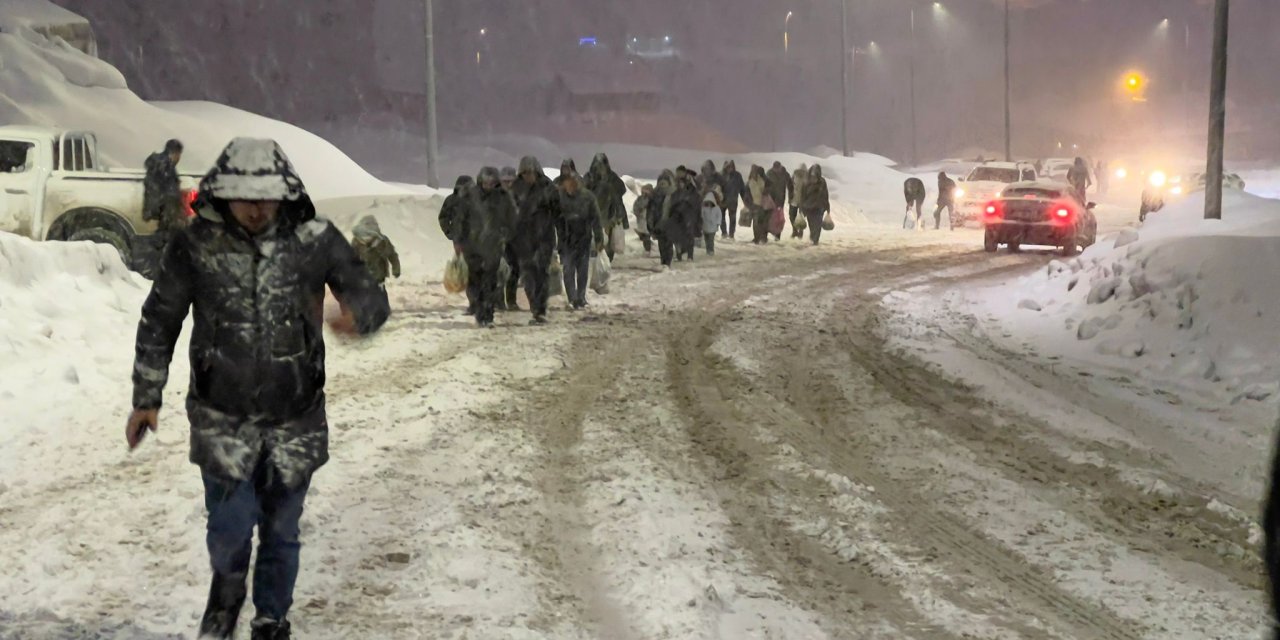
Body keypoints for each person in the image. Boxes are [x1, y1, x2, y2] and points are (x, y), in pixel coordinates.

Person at [125, 138, 390, 640]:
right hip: (221, 417)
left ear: (284, 194)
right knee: (229, 528)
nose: (255, 209)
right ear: (222, 193)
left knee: (281, 532)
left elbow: (368, 291)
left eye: (265, 198)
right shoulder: (195, 245)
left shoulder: (315, 239)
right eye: (244, 198)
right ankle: (225, 600)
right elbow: (160, 319)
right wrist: (146, 397)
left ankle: (272, 620)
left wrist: (363, 313)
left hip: (296, 417)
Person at [457, 167, 517, 328]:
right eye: (485, 183)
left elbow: (512, 219)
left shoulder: (503, 198)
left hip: (493, 247)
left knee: (490, 282)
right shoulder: (470, 196)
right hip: (472, 246)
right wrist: (459, 240)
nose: (488, 186)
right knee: (475, 281)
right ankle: (479, 310)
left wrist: (505, 235)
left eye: (491, 183)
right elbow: (460, 219)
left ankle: (487, 315)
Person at [510, 156, 560, 325]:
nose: (528, 176)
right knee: (528, 276)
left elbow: (558, 211)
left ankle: (540, 309)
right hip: (522, 239)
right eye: (524, 173)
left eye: (530, 173)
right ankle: (535, 306)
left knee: (541, 274)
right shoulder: (516, 189)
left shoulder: (547, 188)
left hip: (544, 237)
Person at [556, 171, 604, 309]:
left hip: (583, 238)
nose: (571, 185)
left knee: (582, 270)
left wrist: (599, 238)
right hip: (566, 239)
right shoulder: (559, 197)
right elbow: (554, 217)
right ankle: (572, 298)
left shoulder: (588, 197)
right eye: (568, 182)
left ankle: (581, 297)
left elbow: (596, 218)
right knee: (568, 269)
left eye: (574, 182)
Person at [439, 175, 477, 315]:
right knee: (468, 273)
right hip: (461, 242)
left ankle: (481, 303)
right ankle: (474, 304)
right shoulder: (452, 200)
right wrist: (451, 234)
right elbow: (443, 218)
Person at [585, 153, 628, 261]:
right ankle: (596, 258)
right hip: (593, 212)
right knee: (593, 236)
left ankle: (606, 259)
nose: (599, 168)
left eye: (601, 164)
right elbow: (583, 191)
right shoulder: (589, 177)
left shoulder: (612, 177)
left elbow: (621, 190)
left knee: (607, 238)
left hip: (609, 212)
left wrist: (611, 191)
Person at [143, 138, 185, 233]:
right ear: (175, 153)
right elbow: (170, 192)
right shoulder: (166, 166)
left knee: (163, 233)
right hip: (165, 210)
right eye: (179, 155)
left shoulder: (156, 165)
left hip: (156, 208)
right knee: (169, 233)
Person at [351, 215, 401, 288]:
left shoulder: (383, 241)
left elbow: (392, 255)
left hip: (379, 277)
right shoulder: (356, 241)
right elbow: (350, 257)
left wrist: (396, 269)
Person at [663, 166, 701, 261]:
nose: (678, 175)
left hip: (689, 214)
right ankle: (679, 254)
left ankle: (689, 255)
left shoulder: (691, 185)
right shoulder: (675, 186)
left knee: (689, 234)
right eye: (677, 173)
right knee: (676, 234)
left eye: (680, 173)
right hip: (677, 214)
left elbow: (695, 199)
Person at [650, 170, 676, 268]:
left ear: (669, 183)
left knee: (668, 243)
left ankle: (667, 262)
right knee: (661, 244)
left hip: (670, 223)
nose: (662, 185)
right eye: (660, 183)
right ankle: (663, 261)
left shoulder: (673, 194)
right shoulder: (655, 195)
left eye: (664, 183)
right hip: (659, 223)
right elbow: (651, 210)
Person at [801, 164, 831, 246]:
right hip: (809, 206)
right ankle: (813, 236)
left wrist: (827, 206)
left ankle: (815, 239)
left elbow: (825, 194)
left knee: (818, 224)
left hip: (819, 206)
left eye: (815, 176)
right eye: (812, 176)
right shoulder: (806, 182)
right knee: (811, 223)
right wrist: (802, 206)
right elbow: (803, 195)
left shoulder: (822, 182)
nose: (813, 178)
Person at [720, 160, 745, 240]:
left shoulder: (737, 176)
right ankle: (724, 233)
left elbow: (742, 189)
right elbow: (717, 188)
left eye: (731, 167)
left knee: (732, 218)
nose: (730, 168)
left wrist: (745, 201)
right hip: (722, 201)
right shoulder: (721, 175)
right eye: (728, 167)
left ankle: (731, 234)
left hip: (733, 201)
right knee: (721, 217)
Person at [746, 165, 770, 245]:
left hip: (762, 204)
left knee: (761, 222)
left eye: (755, 171)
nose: (754, 173)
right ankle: (757, 238)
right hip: (754, 204)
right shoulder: (749, 182)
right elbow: (746, 194)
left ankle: (762, 238)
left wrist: (766, 191)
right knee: (755, 223)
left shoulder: (762, 180)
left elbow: (768, 188)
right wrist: (748, 204)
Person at [632, 184, 654, 255]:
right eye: (643, 191)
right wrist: (637, 212)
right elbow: (635, 206)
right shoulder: (640, 198)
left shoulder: (652, 199)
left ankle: (648, 249)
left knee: (647, 235)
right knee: (644, 235)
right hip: (641, 219)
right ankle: (647, 249)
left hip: (649, 220)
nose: (644, 193)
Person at [790, 163, 809, 238]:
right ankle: (795, 230)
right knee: (792, 215)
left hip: (802, 200)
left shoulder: (807, 177)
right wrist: (790, 196)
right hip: (795, 199)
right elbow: (790, 185)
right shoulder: (795, 175)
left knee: (801, 216)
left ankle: (800, 231)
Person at [701, 191, 721, 256]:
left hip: (713, 227)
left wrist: (718, 223)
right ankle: (708, 250)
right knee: (706, 239)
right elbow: (701, 216)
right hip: (705, 226)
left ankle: (711, 250)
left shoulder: (717, 208)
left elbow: (719, 216)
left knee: (711, 239)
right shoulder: (704, 208)